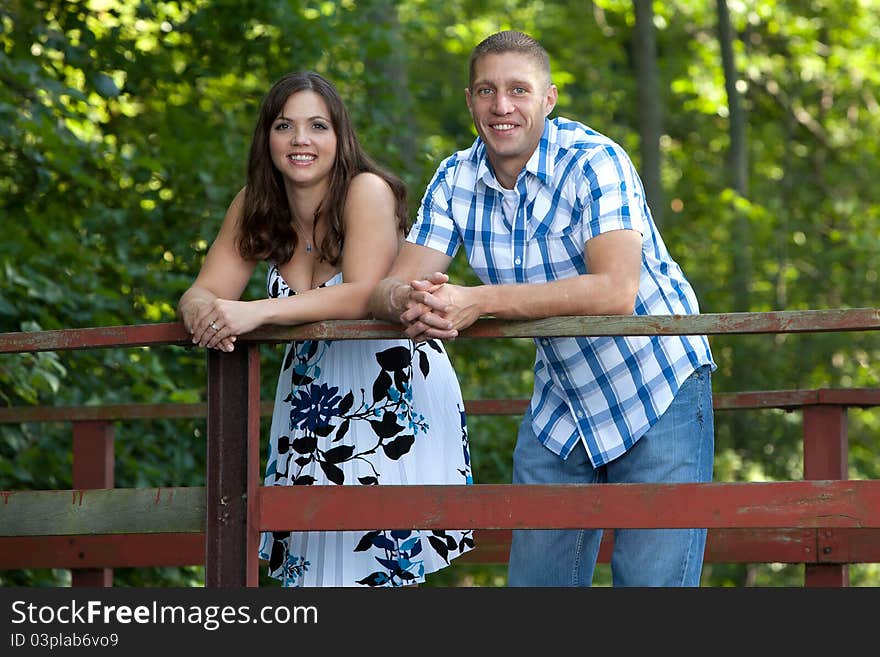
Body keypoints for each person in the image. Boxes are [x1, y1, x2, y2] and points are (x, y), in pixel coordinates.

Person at [369, 31, 716, 587]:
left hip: (657, 383)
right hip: (564, 394)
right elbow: (395, 283)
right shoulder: (456, 177)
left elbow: (614, 291)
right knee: (537, 586)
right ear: (470, 100)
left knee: (652, 588)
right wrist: (412, 302)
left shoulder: (595, 161)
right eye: (487, 90)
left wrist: (477, 302)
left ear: (548, 100)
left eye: (518, 90)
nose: (501, 106)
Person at [178, 71, 474, 587]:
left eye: (317, 126)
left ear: (340, 137)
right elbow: (203, 290)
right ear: (266, 137)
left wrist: (255, 312)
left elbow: (364, 293)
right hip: (312, 403)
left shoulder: (366, 191)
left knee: (376, 570)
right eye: (284, 126)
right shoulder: (254, 204)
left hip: (390, 395)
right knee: (317, 573)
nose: (300, 140)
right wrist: (205, 314)